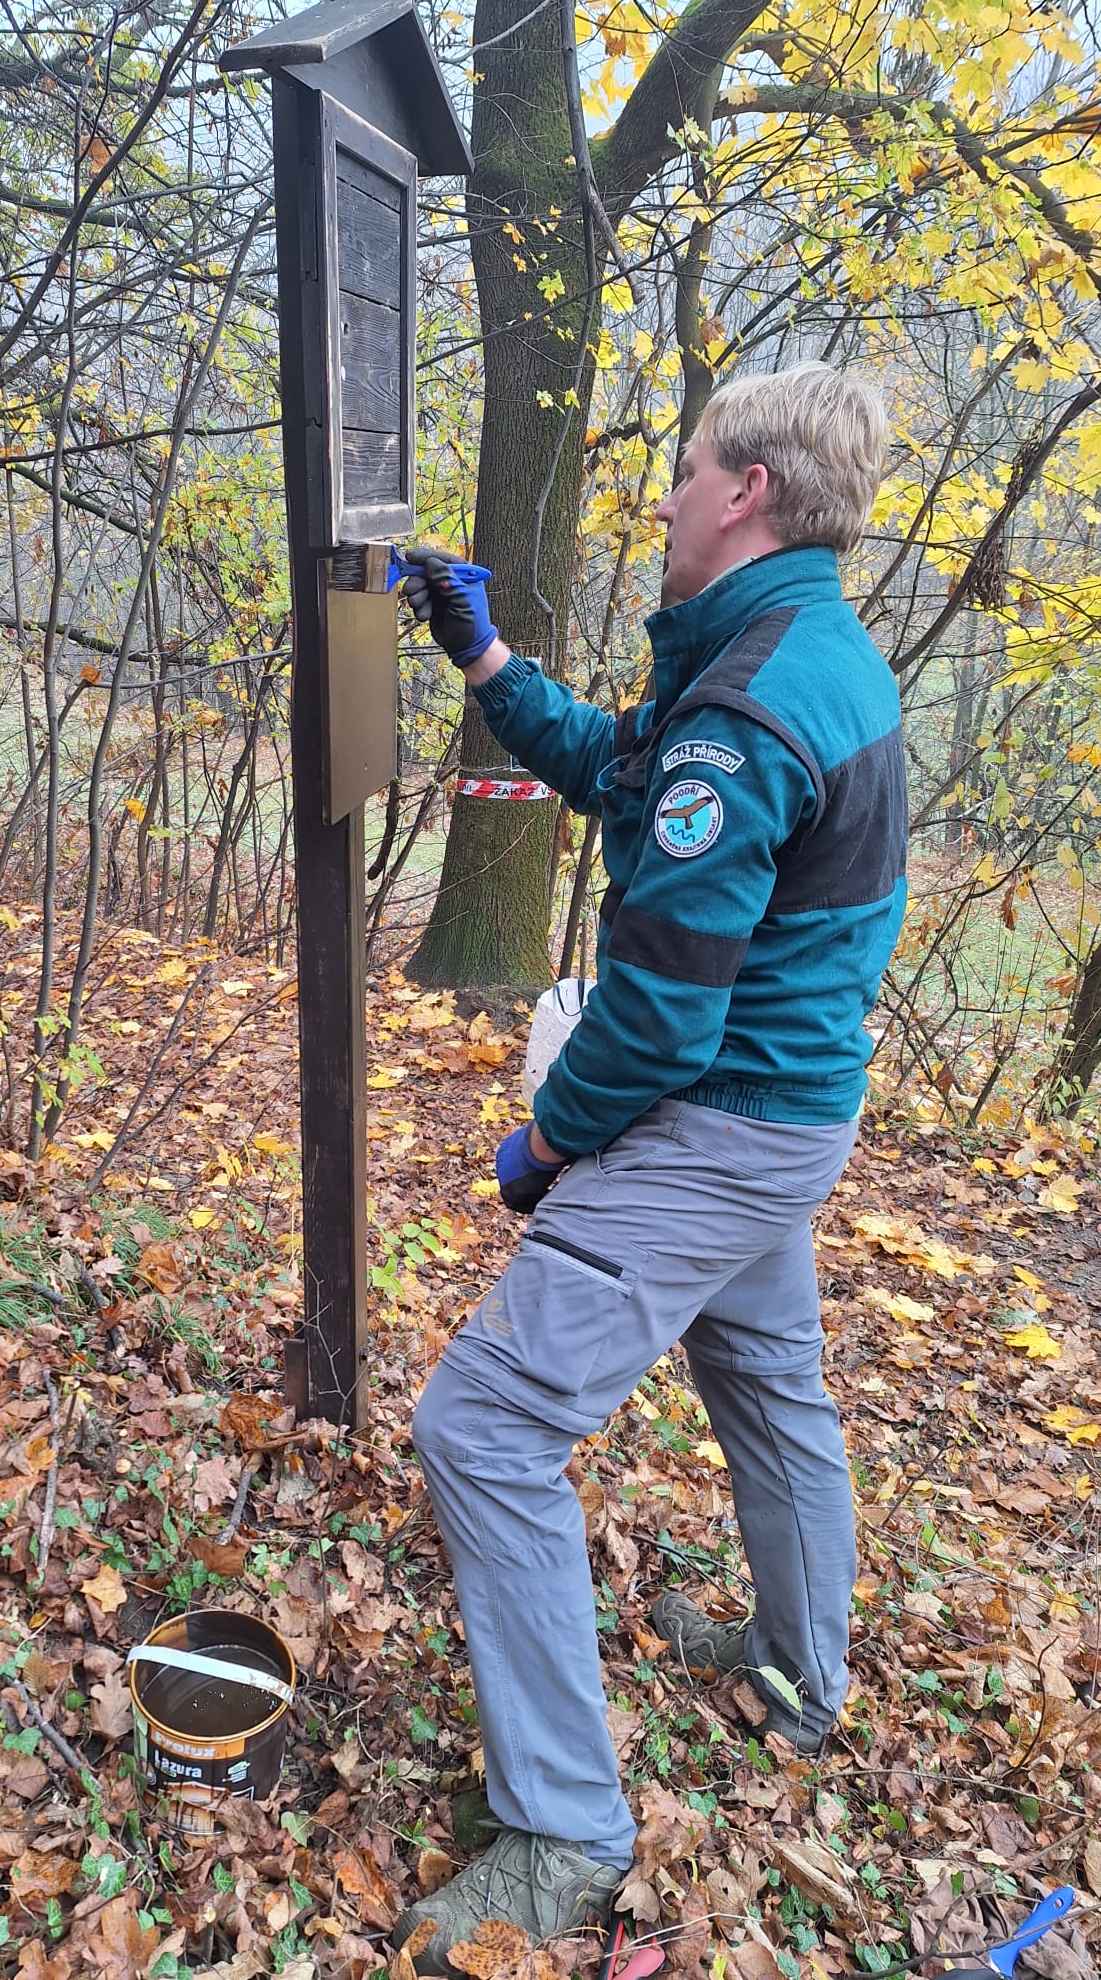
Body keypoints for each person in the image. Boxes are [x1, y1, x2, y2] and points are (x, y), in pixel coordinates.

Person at [391, 363, 907, 1972]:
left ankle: (563, 1832)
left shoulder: (751, 705)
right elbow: (628, 774)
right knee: (768, 1387)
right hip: (790, 1113)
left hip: (723, 1121)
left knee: (480, 1423)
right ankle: (797, 1677)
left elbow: (663, 1015)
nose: (665, 497)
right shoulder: (779, 657)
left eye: (685, 472)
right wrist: (485, 659)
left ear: (746, 489)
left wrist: (547, 1144)